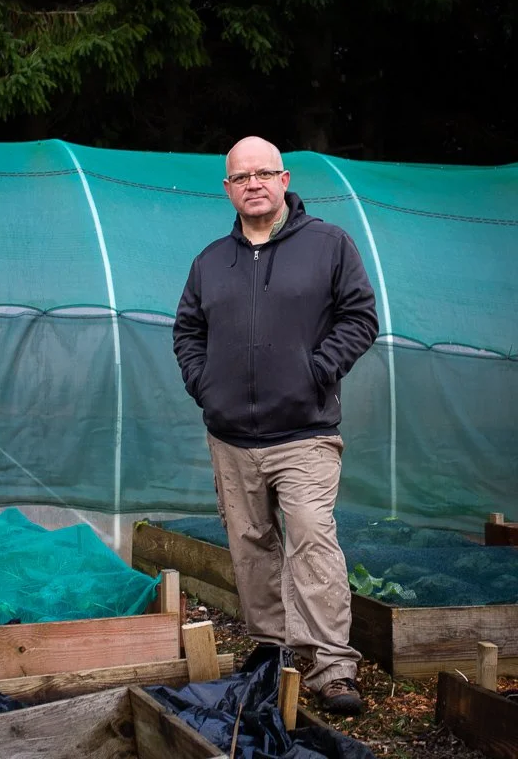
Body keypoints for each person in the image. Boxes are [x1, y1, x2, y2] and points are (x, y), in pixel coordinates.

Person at [173, 136, 379, 715]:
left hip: (304, 431)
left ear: (285, 180)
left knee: (311, 538)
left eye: (265, 173)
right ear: (228, 189)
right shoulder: (211, 261)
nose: (254, 184)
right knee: (251, 544)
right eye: (242, 177)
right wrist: (205, 385)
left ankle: (332, 666)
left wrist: (318, 370)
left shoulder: (328, 245)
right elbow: (187, 331)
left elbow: (360, 316)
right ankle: (271, 651)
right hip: (232, 436)